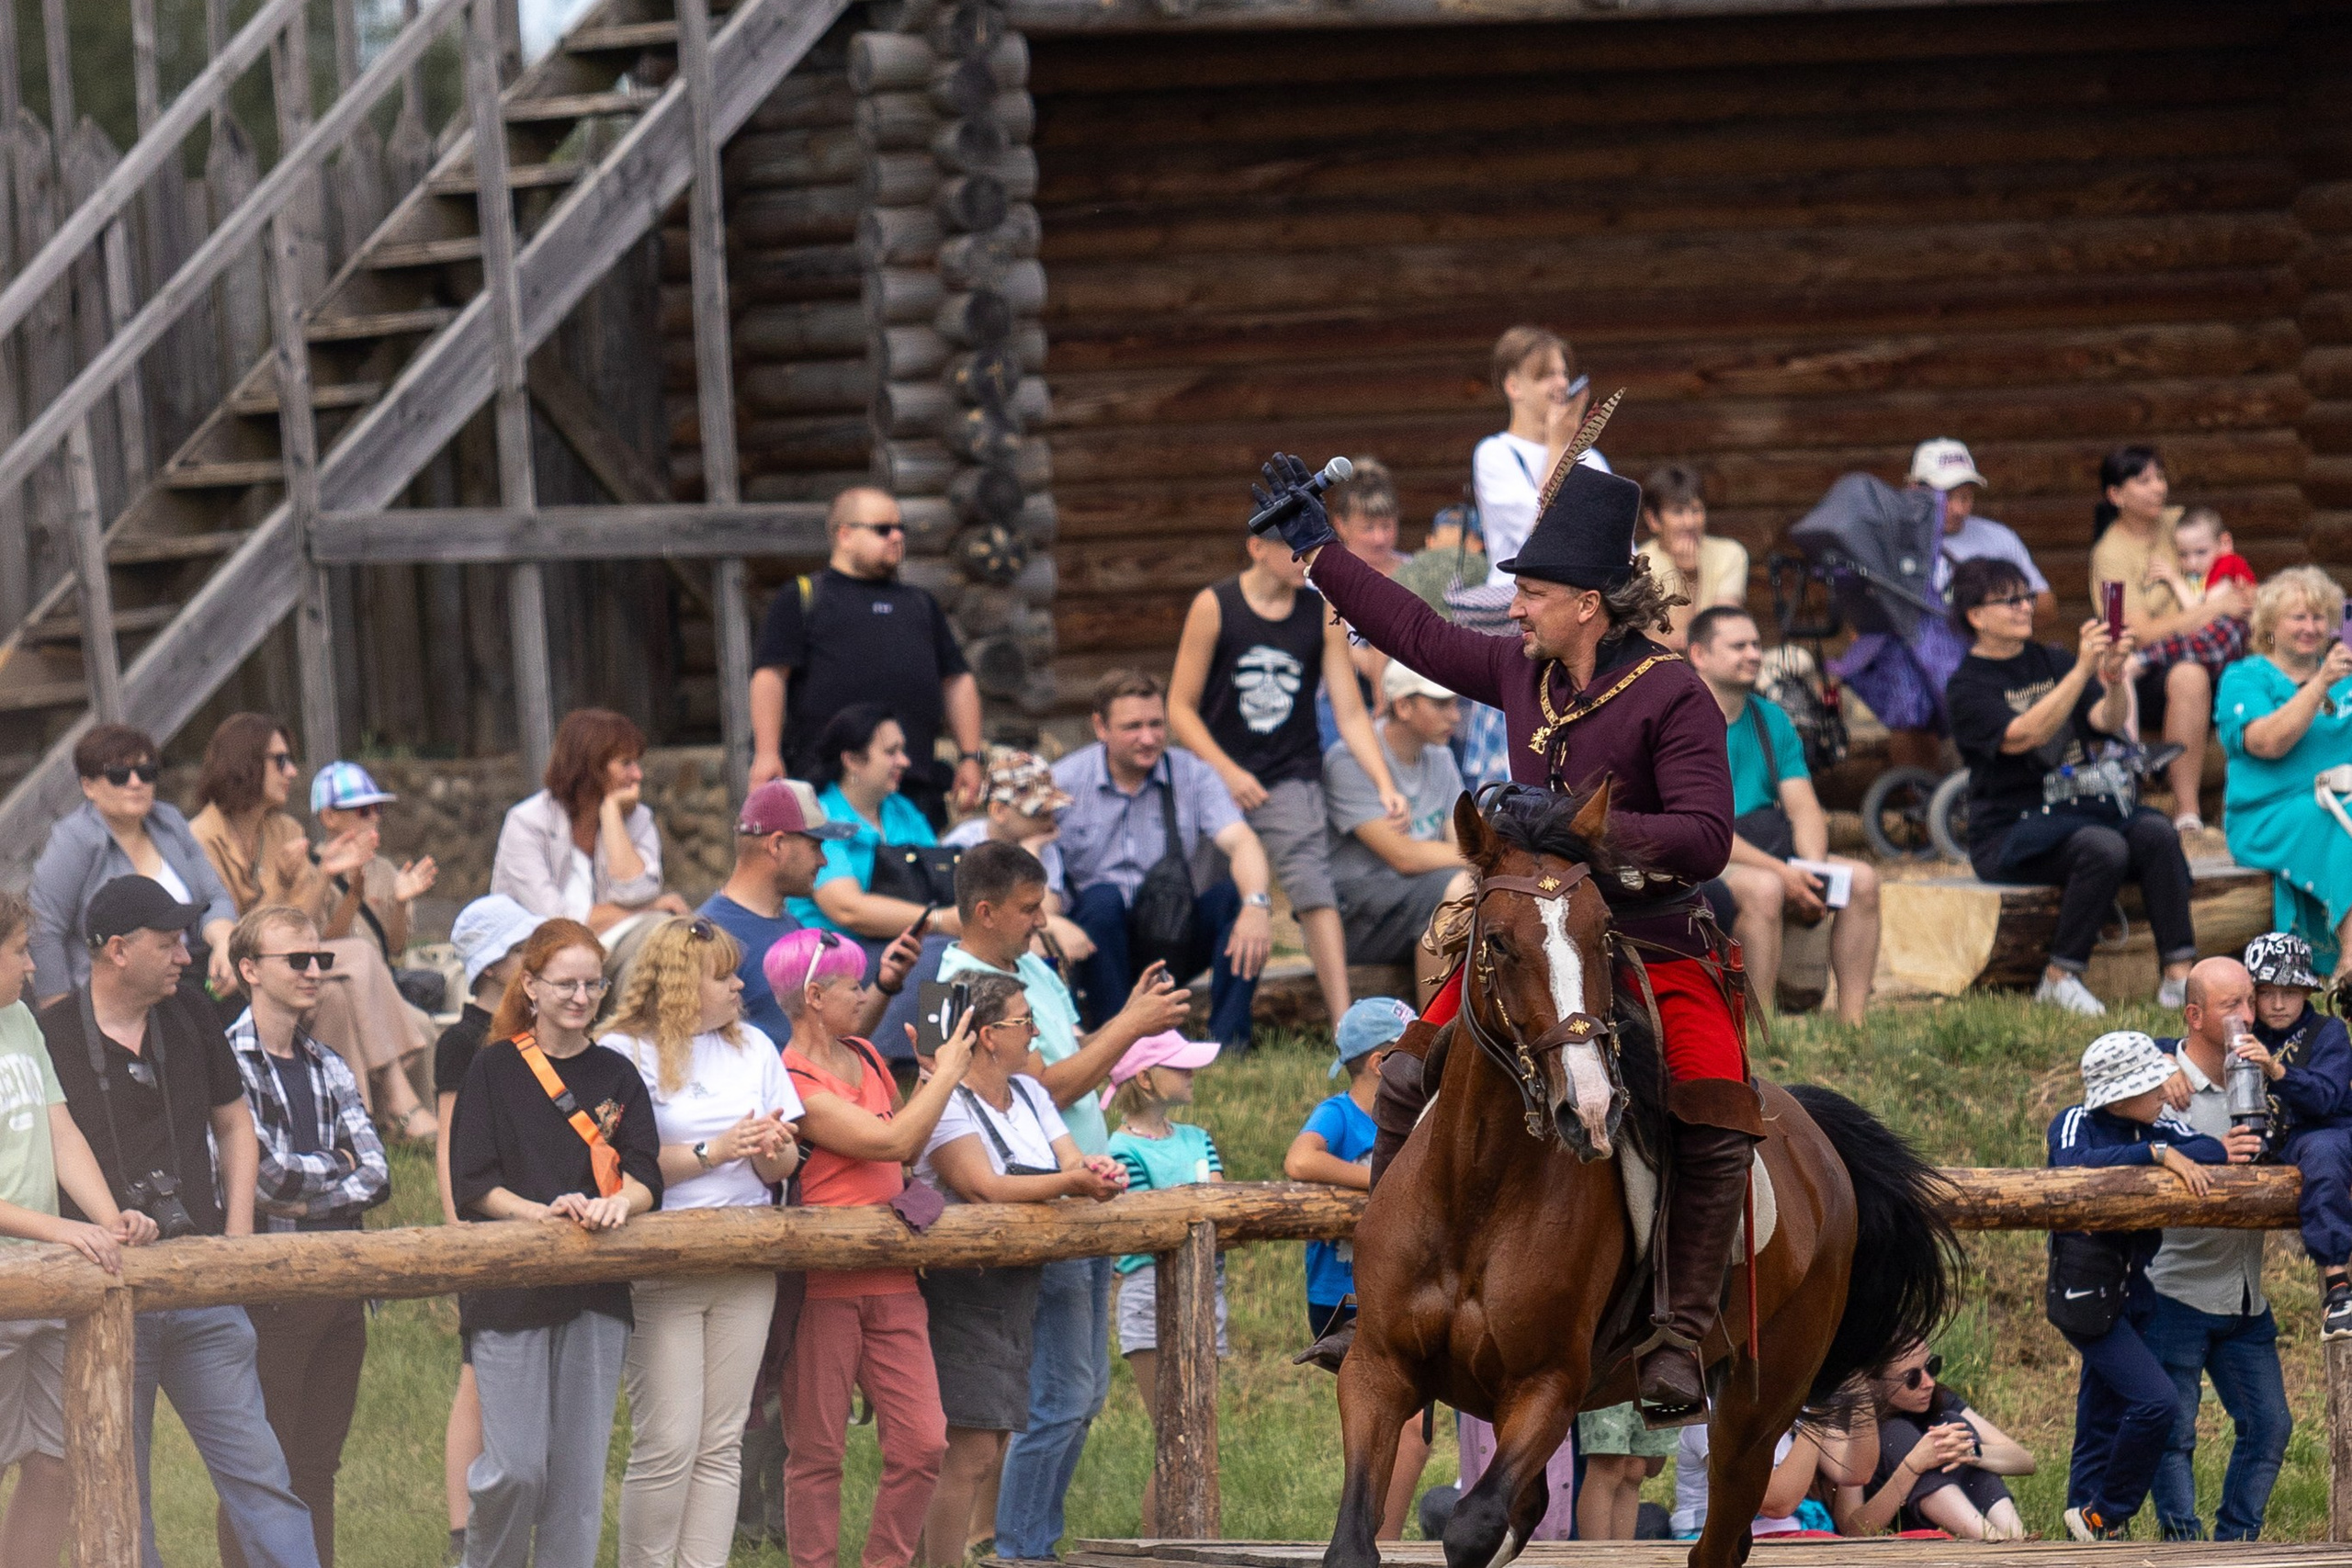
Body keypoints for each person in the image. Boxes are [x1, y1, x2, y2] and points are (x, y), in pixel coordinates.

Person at [1263, 428, 1752, 1422]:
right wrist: (1318, 553)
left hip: (1650, 937)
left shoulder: (1671, 692)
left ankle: (1679, 1330)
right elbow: (1416, 634)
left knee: (1712, 1100)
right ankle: (1377, 1298)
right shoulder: (1525, 673)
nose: (1512, 605)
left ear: (1586, 601)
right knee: (1404, 1071)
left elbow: (1706, 839)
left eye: (1528, 592)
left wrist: (1582, 828)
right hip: (1533, 943)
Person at [40, 875, 322, 1568]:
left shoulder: (192, 1014)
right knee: (118, 1488)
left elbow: (234, 1124)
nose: (185, 955)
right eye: (167, 943)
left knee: (263, 1480)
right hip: (103, 1295)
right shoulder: (50, 1034)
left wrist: (238, 1239)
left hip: (202, 1286)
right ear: (116, 950)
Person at [933, 840, 1192, 1564]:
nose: (1041, 918)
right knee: (1060, 1395)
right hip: (1025, 1209)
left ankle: (1025, 1542)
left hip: (1074, 1192)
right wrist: (1132, 1025)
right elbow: (1051, 1083)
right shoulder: (951, 987)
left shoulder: (1031, 966)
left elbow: (1063, 1064)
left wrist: (1120, 1025)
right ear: (984, 911)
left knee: (1079, 1395)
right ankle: (1023, 1548)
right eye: (1027, 907)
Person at [447, 918, 662, 1568]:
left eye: (593, 983)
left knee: (576, 1480)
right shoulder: (492, 1067)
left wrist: (615, 1202)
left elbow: (646, 1171)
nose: (580, 995)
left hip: (595, 1287)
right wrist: (538, 1214)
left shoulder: (619, 1074)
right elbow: (472, 1181)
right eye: (565, 982)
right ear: (531, 986)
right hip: (511, 1286)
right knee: (515, 1468)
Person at [601, 917, 803, 1568]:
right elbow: (615, 1162)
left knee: (722, 1439)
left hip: (747, 1257)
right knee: (667, 1440)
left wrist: (775, 1150)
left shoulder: (757, 1049)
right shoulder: (620, 1051)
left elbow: (784, 1163)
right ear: (683, 986)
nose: (740, 983)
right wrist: (713, 1151)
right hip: (661, 1262)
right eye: (724, 975)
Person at [773, 927, 970, 1568]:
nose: (865, 995)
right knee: (818, 1453)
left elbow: (905, 1146)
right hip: (822, 1286)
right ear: (813, 995)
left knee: (923, 1442)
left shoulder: (865, 1052)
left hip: (893, 1277)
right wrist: (948, 1076)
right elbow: (884, 1143)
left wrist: (933, 1078)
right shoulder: (790, 1079)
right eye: (853, 984)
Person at [911, 973, 1125, 1568]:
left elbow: (1071, 1158)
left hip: (1018, 1289)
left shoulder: (1028, 1093)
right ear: (986, 1035)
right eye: (1024, 1021)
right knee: (971, 1450)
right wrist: (1075, 1183)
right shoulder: (948, 1101)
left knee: (997, 1439)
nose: (1035, 1033)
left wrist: (1095, 1171)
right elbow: (984, 1185)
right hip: (965, 1291)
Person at [1169, 525, 1406, 1028]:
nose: (1306, 562)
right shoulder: (1215, 605)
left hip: (1291, 773)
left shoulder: (1321, 611)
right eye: (1294, 552)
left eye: (1311, 551)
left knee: (1313, 888)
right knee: (1208, 893)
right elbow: (1180, 709)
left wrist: (1383, 782)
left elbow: (1350, 710)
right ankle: (1180, 1016)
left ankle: (1346, 1023)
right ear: (1257, 547)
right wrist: (1227, 773)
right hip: (1217, 775)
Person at [1944, 556, 2195, 1017]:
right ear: (1976, 616)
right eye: (2009, 600)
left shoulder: (2052, 660)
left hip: (2080, 809)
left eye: (2026, 596)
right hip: (2009, 830)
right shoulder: (1966, 686)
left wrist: (2114, 678)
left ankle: (2178, 976)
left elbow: (2107, 720)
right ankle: (2060, 978)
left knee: (2156, 831)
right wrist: (2082, 671)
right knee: (2103, 848)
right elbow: (2023, 736)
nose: (2025, 607)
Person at [220, 904, 393, 1568]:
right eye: (297, 959)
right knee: (264, 1467)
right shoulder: (229, 1059)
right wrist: (337, 1169)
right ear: (248, 970)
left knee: (319, 1464)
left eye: (320, 958)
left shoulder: (328, 1060)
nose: (315, 970)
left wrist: (320, 1176)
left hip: (343, 1288)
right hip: (270, 1293)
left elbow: (378, 1171)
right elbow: (263, 1179)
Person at [0, 886, 158, 1568]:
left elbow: (60, 1128)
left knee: (60, 1461)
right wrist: (60, 1232)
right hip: (16, 1272)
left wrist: (106, 1217)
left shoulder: (22, 1022)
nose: (32, 965)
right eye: (17, 950)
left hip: (47, 1280)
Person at [189, 713, 439, 1140]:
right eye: (280, 760)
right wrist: (318, 879)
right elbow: (243, 934)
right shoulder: (200, 837)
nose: (292, 772)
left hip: (286, 960)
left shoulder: (284, 829)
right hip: (232, 977)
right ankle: (396, 1095)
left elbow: (300, 928)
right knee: (357, 955)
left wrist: (321, 876)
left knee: (337, 993)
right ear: (245, 762)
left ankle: (353, 1123)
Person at [2042, 1029, 2235, 1539]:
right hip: (2084, 1294)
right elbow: (2070, 1167)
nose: (2163, 1093)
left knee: (2100, 1414)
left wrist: (2161, 1145)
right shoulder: (2074, 1123)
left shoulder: (2155, 1123)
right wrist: (2154, 1155)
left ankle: (2083, 1521)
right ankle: (2106, 1513)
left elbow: (2210, 1152)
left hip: (2136, 1296)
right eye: (2152, 1087)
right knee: (2157, 1403)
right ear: (2122, 1094)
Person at [1052, 670, 1277, 1054]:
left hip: (1171, 934)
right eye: (1133, 726)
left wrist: (1258, 905)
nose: (1149, 738)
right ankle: (1117, 1042)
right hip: (1097, 944)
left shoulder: (1192, 773)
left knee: (1234, 901)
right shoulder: (1064, 782)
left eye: (1157, 724)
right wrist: (1053, 921)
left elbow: (1242, 842)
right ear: (1100, 727)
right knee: (1102, 899)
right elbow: (1035, 867)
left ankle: (1229, 1045)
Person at [2144, 958, 2290, 1541]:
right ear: (2195, 1016)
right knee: (2174, 1433)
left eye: (2250, 1002)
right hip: (2174, 1289)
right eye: (2233, 1006)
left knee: (2270, 1425)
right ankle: (2183, 1548)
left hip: (2245, 1297)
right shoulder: (2159, 1086)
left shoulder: (2265, 1075)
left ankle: (2237, 1542)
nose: (2249, 1017)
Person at [748, 484, 985, 825]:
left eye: (901, 528)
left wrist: (969, 756)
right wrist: (767, 753)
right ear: (844, 535)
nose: (897, 537)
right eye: (883, 529)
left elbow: (957, 679)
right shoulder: (803, 596)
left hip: (911, 783)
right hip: (829, 784)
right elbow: (770, 676)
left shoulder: (919, 604)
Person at [1687, 606, 1880, 1024]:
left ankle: (1854, 1022)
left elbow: (1804, 807)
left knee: (1861, 881)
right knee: (1764, 888)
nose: (1754, 654)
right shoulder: (1681, 718)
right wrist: (1784, 872)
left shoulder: (1769, 716)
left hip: (1768, 846)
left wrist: (1810, 870)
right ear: (1699, 655)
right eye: (1738, 646)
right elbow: (1701, 822)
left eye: (1757, 644)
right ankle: (1757, 1027)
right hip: (1709, 854)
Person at [1282, 998, 1430, 1540]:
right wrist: (1382, 1183)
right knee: (1406, 1425)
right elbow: (1300, 1160)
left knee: (1415, 1429)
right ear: (1381, 1062)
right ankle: (1376, 1542)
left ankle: (1377, 1539)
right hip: (1342, 1296)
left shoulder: (1417, 1120)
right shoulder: (1340, 1114)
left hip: (1397, 1291)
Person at [433, 895, 545, 1568]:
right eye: (522, 948)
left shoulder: (534, 1027)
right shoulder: (461, 1038)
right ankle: (461, 1527)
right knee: (477, 1373)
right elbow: (450, 1140)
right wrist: (457, 1230)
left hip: (533, 1209)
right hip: (482, 1220)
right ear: (494, 962)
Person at [2088, 446, 2249, 831]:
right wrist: (2210, 610)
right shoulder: (2110, 554)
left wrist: (2232, 601)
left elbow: (2234, 584)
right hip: (2151, 672)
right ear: (2116, 495)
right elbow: (2136, 631)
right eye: (2143, 481)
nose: (2158, 488)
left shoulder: (2179, 523)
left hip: (2214, 650)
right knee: (2188, 675)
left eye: (2160, 477)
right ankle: (2187, 810)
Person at [1104, 1030, 1227, 1533]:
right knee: (1173, 1431)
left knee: (1198, 1426)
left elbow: (1221, 1201)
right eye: (1180, 1067)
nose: (1192, 1074)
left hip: (1206, 1288)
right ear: (1145, 1079)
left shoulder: (1198, 1137)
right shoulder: (1118, 1149)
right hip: (1147, 1295)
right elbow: (1144, 1222)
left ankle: (1187, 1542)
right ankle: (1160, 1548)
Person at [28, 721, 236, 1005]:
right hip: (113, 997)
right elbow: (44, 930)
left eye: (146, 771)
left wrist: (225, 943)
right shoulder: (73, 840)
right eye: (119, 774)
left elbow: (214, 897)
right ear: (88, 786)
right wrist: (59, 1014)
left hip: (191, 978)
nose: (136, 782)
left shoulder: (170, 821)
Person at [2216, 567, 2352, 979]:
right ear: (2270, 625)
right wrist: (2321, 683)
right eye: (2298, 617)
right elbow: (2267, 743)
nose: (2311, 627)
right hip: (2266, 816)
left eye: (2318, 617)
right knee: (2337, 820)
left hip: (2338, 800)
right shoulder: (2245, 677)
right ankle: (2349, 963)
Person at [1323, 661, 1474, 998]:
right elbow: (1403, 856)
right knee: (1463, 885)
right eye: (1440, 704)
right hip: (1357, 919)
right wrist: (1482, 855)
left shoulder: (1440, 756)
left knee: (1479, 886)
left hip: (1421, 900)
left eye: (1454, 704)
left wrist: (1479, 856)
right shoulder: (1348, 759)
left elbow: (1460, 839)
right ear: (1403, 706)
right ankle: (1433, 1031)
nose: (1455, 716)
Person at [491, 707, 692, 957]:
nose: (638, 775)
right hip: (535, 962)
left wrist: (610, 813)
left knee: (672, 938)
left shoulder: (637, 817)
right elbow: (555, 923)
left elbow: (637, 892)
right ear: (591, 767)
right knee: (655, 930)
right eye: (626, 763)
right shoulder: (527, 822)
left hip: (610, 951)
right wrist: (648, 909)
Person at [2234, 932, 2352, 1337]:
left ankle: (2337, 1285)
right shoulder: (2243, 1031)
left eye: (2290, 991)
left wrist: (2275, 1070)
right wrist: (2166, 1056)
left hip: (2320, 1133)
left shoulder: (2328, 1033)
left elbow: (2326, 1097)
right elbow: (2194, 1046)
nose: (2279, 1004)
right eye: (2267, 992)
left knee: (2323, 1155)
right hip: (2265, 1142)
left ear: (2306, 991)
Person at [1832, 1340, 2033, 1539]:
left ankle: (2016, 1537)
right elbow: (1851, 1528)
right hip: (1891, 1527)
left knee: (1953, 1424)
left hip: (1940, 1524)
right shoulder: (1859, 1419)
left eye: (1931, 1366)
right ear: (1875, 1382)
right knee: (1896, 1432)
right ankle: (1991, 1540)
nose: (1929, 1383)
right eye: (1912, 1378)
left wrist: (1968, 1452)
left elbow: (2025, 1461)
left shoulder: (1939, 1400)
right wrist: (1913, 1465)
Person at [1472, 324, 1610, 583]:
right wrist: (1558, 446)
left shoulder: (1592, 457)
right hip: (1516, 603)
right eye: (1546, 375)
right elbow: (1542, 529)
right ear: (1514, 387)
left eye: (1564, 373)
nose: (1561, 383)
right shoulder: (1495, 453)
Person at [939, 750, 1095, 964]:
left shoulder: (1042, 845)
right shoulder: (962, 846)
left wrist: (1031, 852)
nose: (1050, 822)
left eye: (1052, 811)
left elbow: (1046, 912)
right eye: (1038, 813)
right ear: (998, 810)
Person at [308, 761, 441, 1005]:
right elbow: (318, 949)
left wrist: (400, 904)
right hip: (332, 993)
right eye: (363, 811)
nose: (375, 818)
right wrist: (353, 897)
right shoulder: (309, 871)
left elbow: (395, 948)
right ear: (329, 817)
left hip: (380, 989)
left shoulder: (385, 870)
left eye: (378, 808)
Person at [1914, 438, 2053, 624]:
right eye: (1946, 497)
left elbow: (2047, 607)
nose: (1959, 509)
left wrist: (1993, 609)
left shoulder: (1999, 537)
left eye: (1966, 497)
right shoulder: (1891, 540)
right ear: (1915, 489)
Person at [2134, 506, 2257, 704]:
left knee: (2177, 646)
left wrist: (2174, 579)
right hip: (2217, 647)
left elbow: (2202, 612)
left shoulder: (2228, 563)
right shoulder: (2199, 576)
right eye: (2183, 555)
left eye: (2201, 552)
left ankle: (2139, 661)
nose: (2192, 563)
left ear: (2224, 543)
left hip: (2227, 637)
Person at [1635, 464, 1747, 652]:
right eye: (1678, 512)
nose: (1690, 523)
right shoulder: (1639, 564)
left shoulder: (1730, 553)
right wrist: (1688, 578)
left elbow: (1723, 632)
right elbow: (1668, 643)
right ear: (1653, 519)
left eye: (1696, 510)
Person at [1673, 1425, 1852, 1540]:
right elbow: (1774, 1504)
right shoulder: (1709, 1421)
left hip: (1786, 1536)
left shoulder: (1785, 1413)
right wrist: (1814, 1424)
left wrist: (1860, 1396)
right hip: (1717, 1542)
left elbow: (1853, 1472)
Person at [1576, 1401, 1673, 1540]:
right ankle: (1597, 1556)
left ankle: (1622, 1555)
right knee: (1607, 1464)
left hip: (1660, 1379)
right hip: (1611, 1380)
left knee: (1636, 1467)